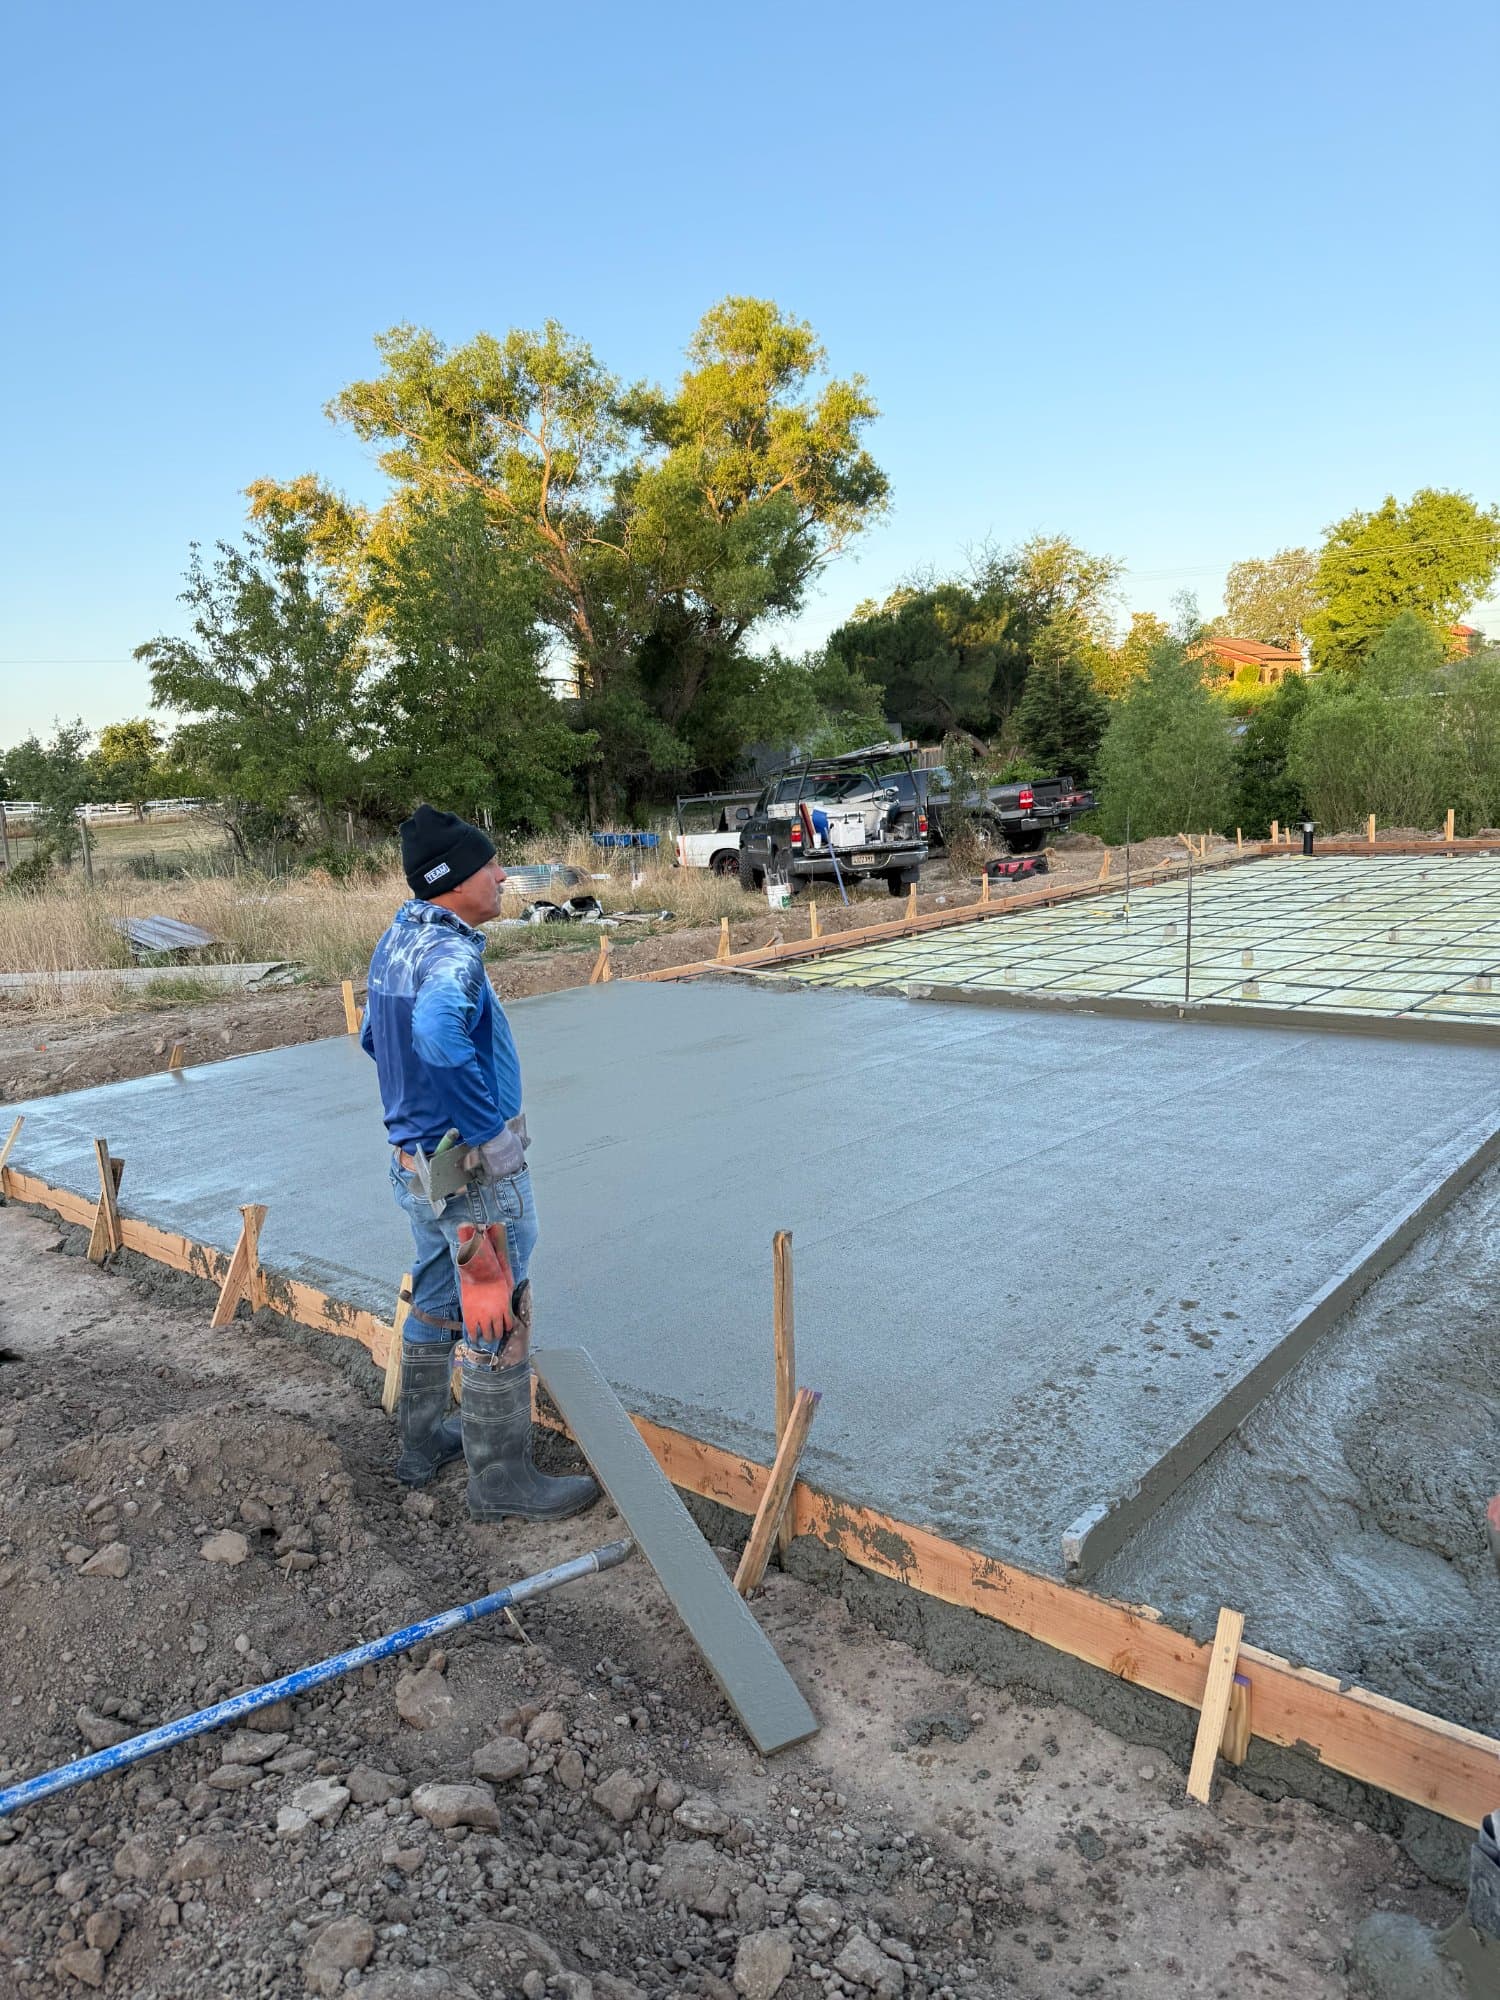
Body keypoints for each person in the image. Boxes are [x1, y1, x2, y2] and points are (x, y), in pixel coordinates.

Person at [361, 804, 598, 1524]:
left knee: (437, 1293)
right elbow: (436, 1032)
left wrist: (417, 1104)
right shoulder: (451, 956)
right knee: (498, 1312)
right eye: (489, 864)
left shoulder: (399, 940)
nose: (501, 874)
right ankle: (501, 1482)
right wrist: (490, 1134)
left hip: (417, 1164)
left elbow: (375, 1034)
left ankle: (422, 1442)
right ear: (454, 880)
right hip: (469, 1175)